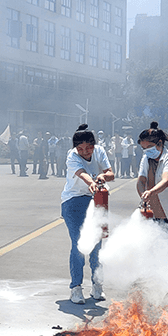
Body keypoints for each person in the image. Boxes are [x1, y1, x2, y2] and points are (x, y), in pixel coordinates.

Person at [60, 124, 114, 304]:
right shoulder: (72, 156)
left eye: (88, 148)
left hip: (96, 200)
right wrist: (92, 181)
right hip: (73, 202)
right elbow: (82, 173)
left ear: (94, 145)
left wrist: (103, 178)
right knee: (79, 244)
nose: (85, 152)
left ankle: (97, 285)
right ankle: (76, 288)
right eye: (80, 149)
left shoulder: (99, 151)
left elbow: (110, 173)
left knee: (97, 244)